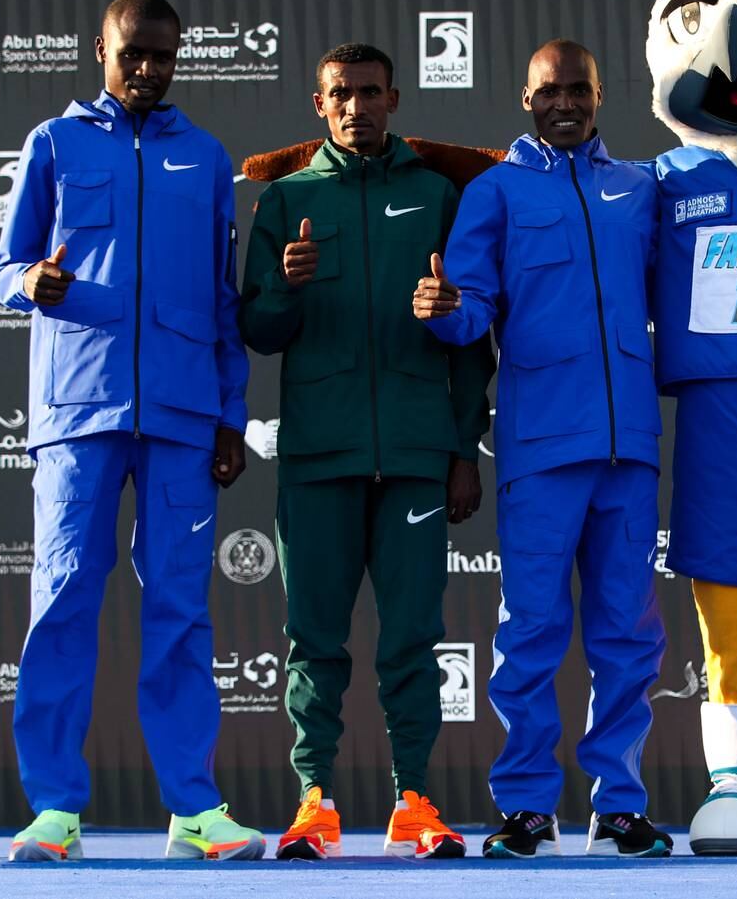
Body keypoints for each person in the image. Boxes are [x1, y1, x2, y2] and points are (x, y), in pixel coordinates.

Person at [0, 0, 262, 861]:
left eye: (163, 56)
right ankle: (56, 808)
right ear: (99, 49)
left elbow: (224, 300)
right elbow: (3, 264)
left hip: (182, 417)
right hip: (78, 411)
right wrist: (32, 282)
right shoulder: (54, 143)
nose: (147, 69)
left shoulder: (207, 158)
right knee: (63, 600)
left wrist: (229, 414)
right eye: (131, 52)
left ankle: (193, 810)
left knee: (180, 608)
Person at [412, 40, 671, 858]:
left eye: (581, 91)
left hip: (629, 444)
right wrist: (443, 306)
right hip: (538, 448)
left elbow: (680, 292)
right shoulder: (495, 191)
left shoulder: (640, 189)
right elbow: (468, 310)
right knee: (530, 629)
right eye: (551, 90)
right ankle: (525, 803)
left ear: (601, 95)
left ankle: (618, 801)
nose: (567, 103)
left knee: (628, 633)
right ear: (526, 97)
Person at [240, 43, 493, 860]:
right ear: (320, 104)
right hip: (319, 454)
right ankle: (314, 801)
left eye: (371, 93)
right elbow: (258, 331)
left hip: (419, 455)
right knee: (314, 639)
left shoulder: (436, 194)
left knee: (413, 637)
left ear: (395, 98)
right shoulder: (285, 201)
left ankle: (413, 800)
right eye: (341, 95)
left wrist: (463, 449)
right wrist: (287, 283)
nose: (357, 107)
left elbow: (468, 341)